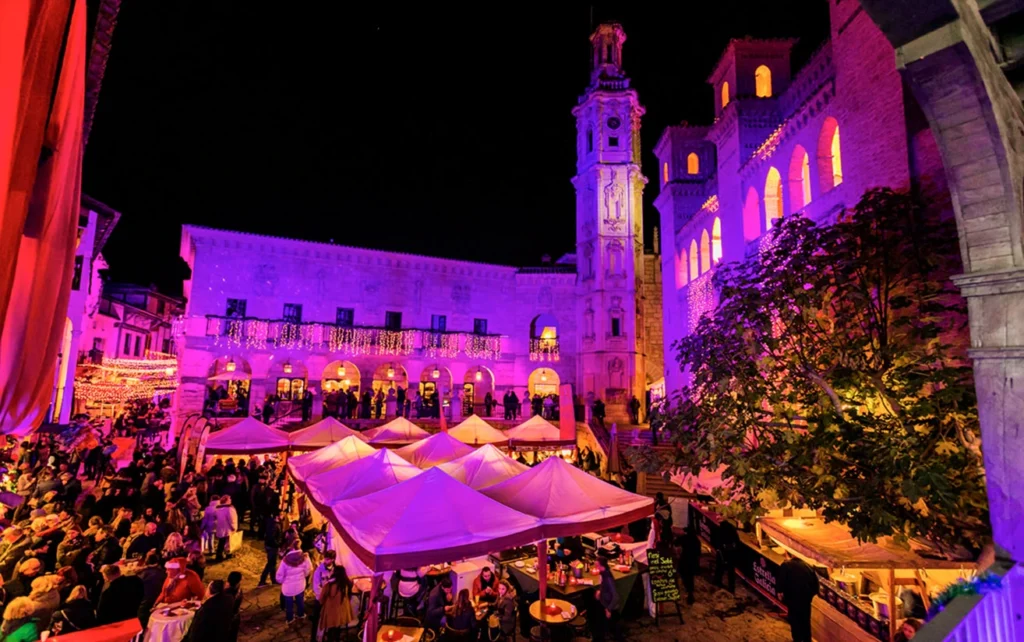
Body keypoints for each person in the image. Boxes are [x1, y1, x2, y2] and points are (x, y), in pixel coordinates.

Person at [777, 551, 819, 642]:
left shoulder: (786, 565)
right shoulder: (809, 567)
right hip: (805, 601)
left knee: (795, 622)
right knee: (805, 622)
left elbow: (781, 582)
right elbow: (816, 587)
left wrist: (781, 593)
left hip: (793, 600)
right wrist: (809, 596)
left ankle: (797, 639)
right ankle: (807, 640)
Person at [275, 541, 312, 623]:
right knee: (300, 600)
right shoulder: (305, 557)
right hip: (300, 584)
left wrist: (282, 581)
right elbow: (309, 569)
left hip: (288, 586)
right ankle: (301, 614)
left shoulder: (285, 560)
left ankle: (290, 618)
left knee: (289, 603)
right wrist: (304, 576)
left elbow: (279, 575)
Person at [316, 565, 355, 642]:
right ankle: (336, 637)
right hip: (343, 613)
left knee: (329, 625)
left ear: (335, 573)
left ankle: (328, 638)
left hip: (331, 613)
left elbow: (321, 599)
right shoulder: (347, 584)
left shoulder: (329, 585)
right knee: (337, 627)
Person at [592, 556, 624, 642]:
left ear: (601, 566)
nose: (595, 567)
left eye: (597, 565)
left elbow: (615, 596)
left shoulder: (608, 578)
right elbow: (604, 586)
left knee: (614, 629)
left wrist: (609, 609)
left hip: (610, 606)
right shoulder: (603, 574)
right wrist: (600, 591)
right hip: (605, 603)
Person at [676, 525, 701, 605]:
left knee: (684, 576)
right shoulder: (697, 540)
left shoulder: (684, 538)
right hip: (693, 561)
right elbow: (698, 553)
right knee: (690, 577)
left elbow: (675, 543)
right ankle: (690, 592)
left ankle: (688, 591)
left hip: (685, 560)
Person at [712, 519, 739, 593]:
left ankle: (717, 581)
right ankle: (731, 587)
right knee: (731, 570)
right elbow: (737, 540)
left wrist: (717, 548)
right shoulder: (732, 529)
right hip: (731, 551)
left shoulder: (719, 529)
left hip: (722, 551)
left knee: (719, 567)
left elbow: (716, 540)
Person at [260, 514, 284, 586]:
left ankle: (273, 579)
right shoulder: (274, 525)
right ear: (277, 516)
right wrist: (278, 544)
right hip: (272, 547)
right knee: (270, 564)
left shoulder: (272, 523)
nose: (283, 516)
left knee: (272, 564)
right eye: (282, 514)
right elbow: (272, 538)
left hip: (271, 546)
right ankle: (262, 580)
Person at [214, 495, 238, 562]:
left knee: (221, 542)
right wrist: (234, 527)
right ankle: (228, 554)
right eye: (229, 499)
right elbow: (232, 519)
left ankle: (219, 555)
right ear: (227, 500)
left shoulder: (218, 508)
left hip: (220, 528)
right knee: (228, 542)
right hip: (228, 528)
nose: (231, 500)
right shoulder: (229, 509)